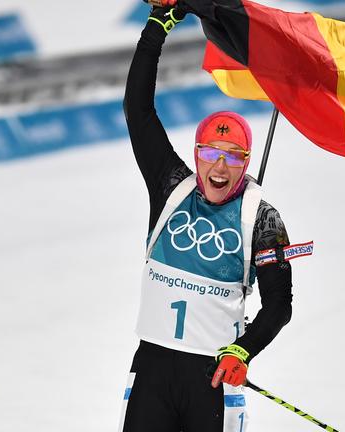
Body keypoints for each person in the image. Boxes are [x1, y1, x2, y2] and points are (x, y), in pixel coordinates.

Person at [118, 2, 296, 432]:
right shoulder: (170, 187)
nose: (220, 168)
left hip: (213, 377)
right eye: (211, 154)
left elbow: (278, 305)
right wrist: (155, 30)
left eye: (232, 156)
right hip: (153, 368)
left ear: (247, 160)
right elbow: (137, 111)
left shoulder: (263, 220)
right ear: (196, 155)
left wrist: (243, 351)